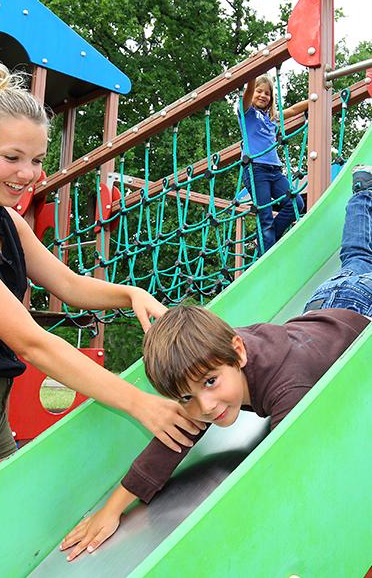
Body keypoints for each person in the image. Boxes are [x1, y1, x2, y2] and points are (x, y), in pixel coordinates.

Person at [0, 60, 204, 523]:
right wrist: (139, 402)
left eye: (37, 159)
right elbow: (31, 340)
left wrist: (130, 293)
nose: (28, 173)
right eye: (12, 158)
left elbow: (67, 284)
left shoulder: (4, 221)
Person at [62, 165, 372, 560]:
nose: (204, 406)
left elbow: (291, 464)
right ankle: (363, 194)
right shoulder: (211, 361)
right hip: (317, 313)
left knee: (360, 261)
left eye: (209, 383)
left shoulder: (287, 385)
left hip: (359, 310)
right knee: (356, 257)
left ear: (238, 352)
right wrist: (111, 508)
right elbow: (171, 439)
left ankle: (363, 194)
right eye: (187, 398)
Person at [239, 76, 306, 253]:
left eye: (267, 93)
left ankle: (262, 242)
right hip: (255, 169)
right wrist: (253, 74)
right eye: (259, 91)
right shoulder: (246, 113)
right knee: (265, 216)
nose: (262, 95)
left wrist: (316, 97)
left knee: (296, 203)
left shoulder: (272, 117)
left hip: (275, 170)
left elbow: (292, 110)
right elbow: (246, 94)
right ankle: (266, 253)